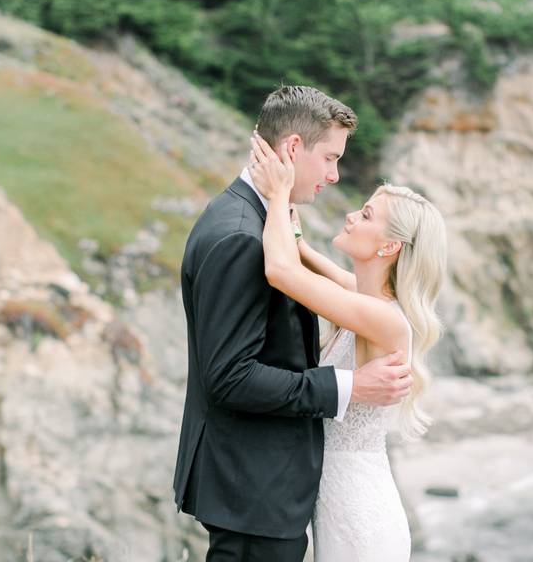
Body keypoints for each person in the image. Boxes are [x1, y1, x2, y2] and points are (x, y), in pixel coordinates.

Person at [173, 86, 414, 562]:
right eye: (329, 158)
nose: (334, 175)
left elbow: (296, 273)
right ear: (292, 149)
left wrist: (285, 210)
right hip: (253, 490)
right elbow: (230, 377)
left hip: (277, 492)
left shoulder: (252, 224)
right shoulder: (241, 238)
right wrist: (349, 387)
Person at [248, 131, 447, 561]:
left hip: (359, 514)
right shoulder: (368, 300)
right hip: (340, 502)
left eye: (368, 214)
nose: (353, 215)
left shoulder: (381, 318)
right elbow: (304, 259)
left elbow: (282, 271)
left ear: (390, 245)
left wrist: (281, 191)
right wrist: (288, 217)